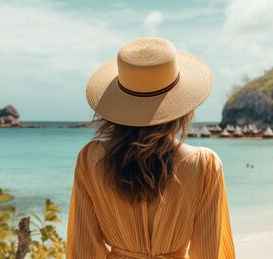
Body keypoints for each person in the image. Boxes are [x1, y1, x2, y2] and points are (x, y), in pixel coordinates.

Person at [67, 38, 235, 258]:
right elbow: (208, 252)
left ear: (120, 104)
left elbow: (83, 250)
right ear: (182, 107)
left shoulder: (91, 159)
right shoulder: (204, 165)